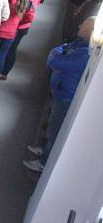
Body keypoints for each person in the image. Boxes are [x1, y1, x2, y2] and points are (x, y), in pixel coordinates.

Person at [24, 17, 93, 173]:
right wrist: (59, 51)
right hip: (61, 90)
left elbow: (55, 60)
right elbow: (62, 49)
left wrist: (56, 52)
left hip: (66, 95)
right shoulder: (81, 44)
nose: (80, 26)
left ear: (90, 33)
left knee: (56, 129)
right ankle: (43, 149)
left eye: (84, 26)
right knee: (53, 124)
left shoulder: (84, 55)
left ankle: (43, 162)